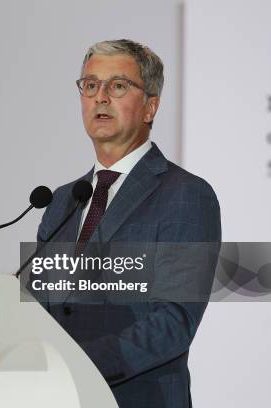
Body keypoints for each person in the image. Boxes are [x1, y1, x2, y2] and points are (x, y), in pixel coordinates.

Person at [34, 39, 221, 407]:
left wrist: (78, 363)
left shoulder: (186, 195)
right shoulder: (59, 203)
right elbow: (42, 309)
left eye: (117, 85)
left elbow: (174, 320)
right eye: (90, 85)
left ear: (151, 106)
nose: (100, 97)